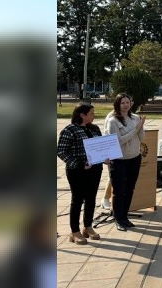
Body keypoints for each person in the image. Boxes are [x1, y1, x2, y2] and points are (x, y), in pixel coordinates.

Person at [57, 103, 105, 244]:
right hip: (77, 171)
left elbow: (100, 147)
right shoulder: (70, 130)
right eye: (91, 113)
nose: (94, 116)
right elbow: (61, 151)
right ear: (82, 115)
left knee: (91, 198)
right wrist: (79, 164)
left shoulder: (95, 128)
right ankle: (75, 231)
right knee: (77, 199)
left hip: (95, 169)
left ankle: (88, 227)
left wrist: (105, 157)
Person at [106, 93, 146, 231]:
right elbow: (118, 140)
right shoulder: (113, 121)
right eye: (122, 103)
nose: (125, 105)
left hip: (134, 157)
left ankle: (125, 216)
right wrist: (136, 129)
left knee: (130, 189)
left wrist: (141, 127)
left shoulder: (135, 118)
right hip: (119, 160)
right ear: (118, 104)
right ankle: (118, 218)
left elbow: (141, 138)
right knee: (119, 190)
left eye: (127, 102)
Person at [100, 110, 114, 210]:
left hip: (126, 150)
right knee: (113, 175)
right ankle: (105, 198)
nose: (127, 105)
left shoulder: (130, 115)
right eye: (123, 103)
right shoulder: (112, 116)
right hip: (112, 148)